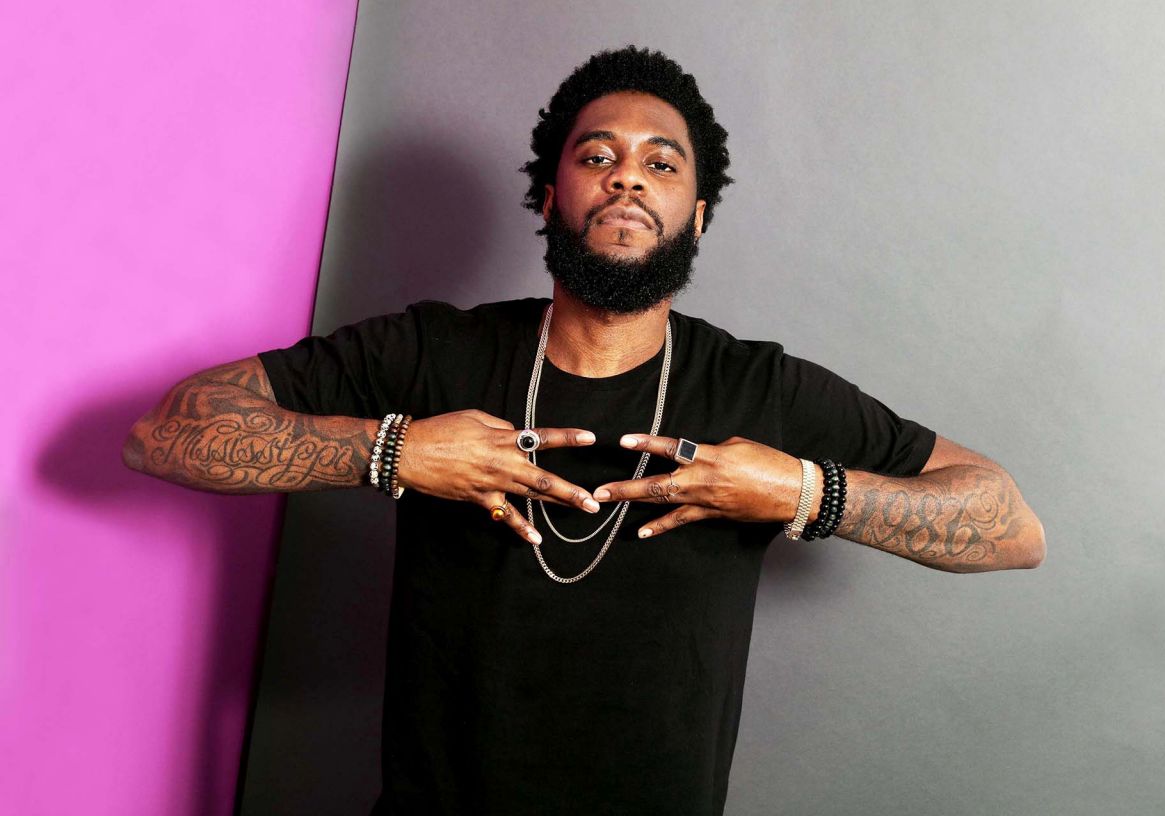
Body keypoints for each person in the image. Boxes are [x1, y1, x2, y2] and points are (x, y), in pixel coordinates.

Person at [124, 46, 1044, 816]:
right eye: (598, 156)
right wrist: (394, 451)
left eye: (662, 164)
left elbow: (1010, 525)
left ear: (698, 216)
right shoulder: (435, 350)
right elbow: (165, 431)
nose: (628, 177)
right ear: (549, 195)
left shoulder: (761, 388)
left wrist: (802, 491)